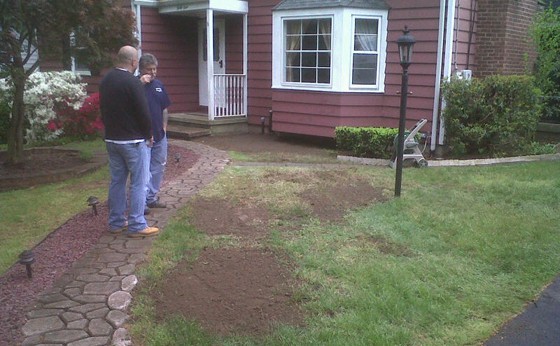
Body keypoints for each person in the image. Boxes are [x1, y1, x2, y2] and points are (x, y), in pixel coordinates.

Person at [99, 45, 159, 238]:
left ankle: (116, 222)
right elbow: (143, 112)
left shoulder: (106, 80)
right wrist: (149, 133)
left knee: (117, 181)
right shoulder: (132, 83)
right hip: (133, 141)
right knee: (139, 183)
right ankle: (137, 224)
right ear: (134, 62)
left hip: (112, 140)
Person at [138, 53, 171, 209]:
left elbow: (164, 108)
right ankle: (141, 202)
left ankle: (151, 198)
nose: (152, 73)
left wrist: (164, 128)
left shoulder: (159, 85)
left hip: (159, 135)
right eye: (149, 69)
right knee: (143, 170)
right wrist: (139, 85)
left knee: (158, 166)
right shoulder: (135, 85)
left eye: (155, 69)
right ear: (141, 69)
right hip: (142, 136)